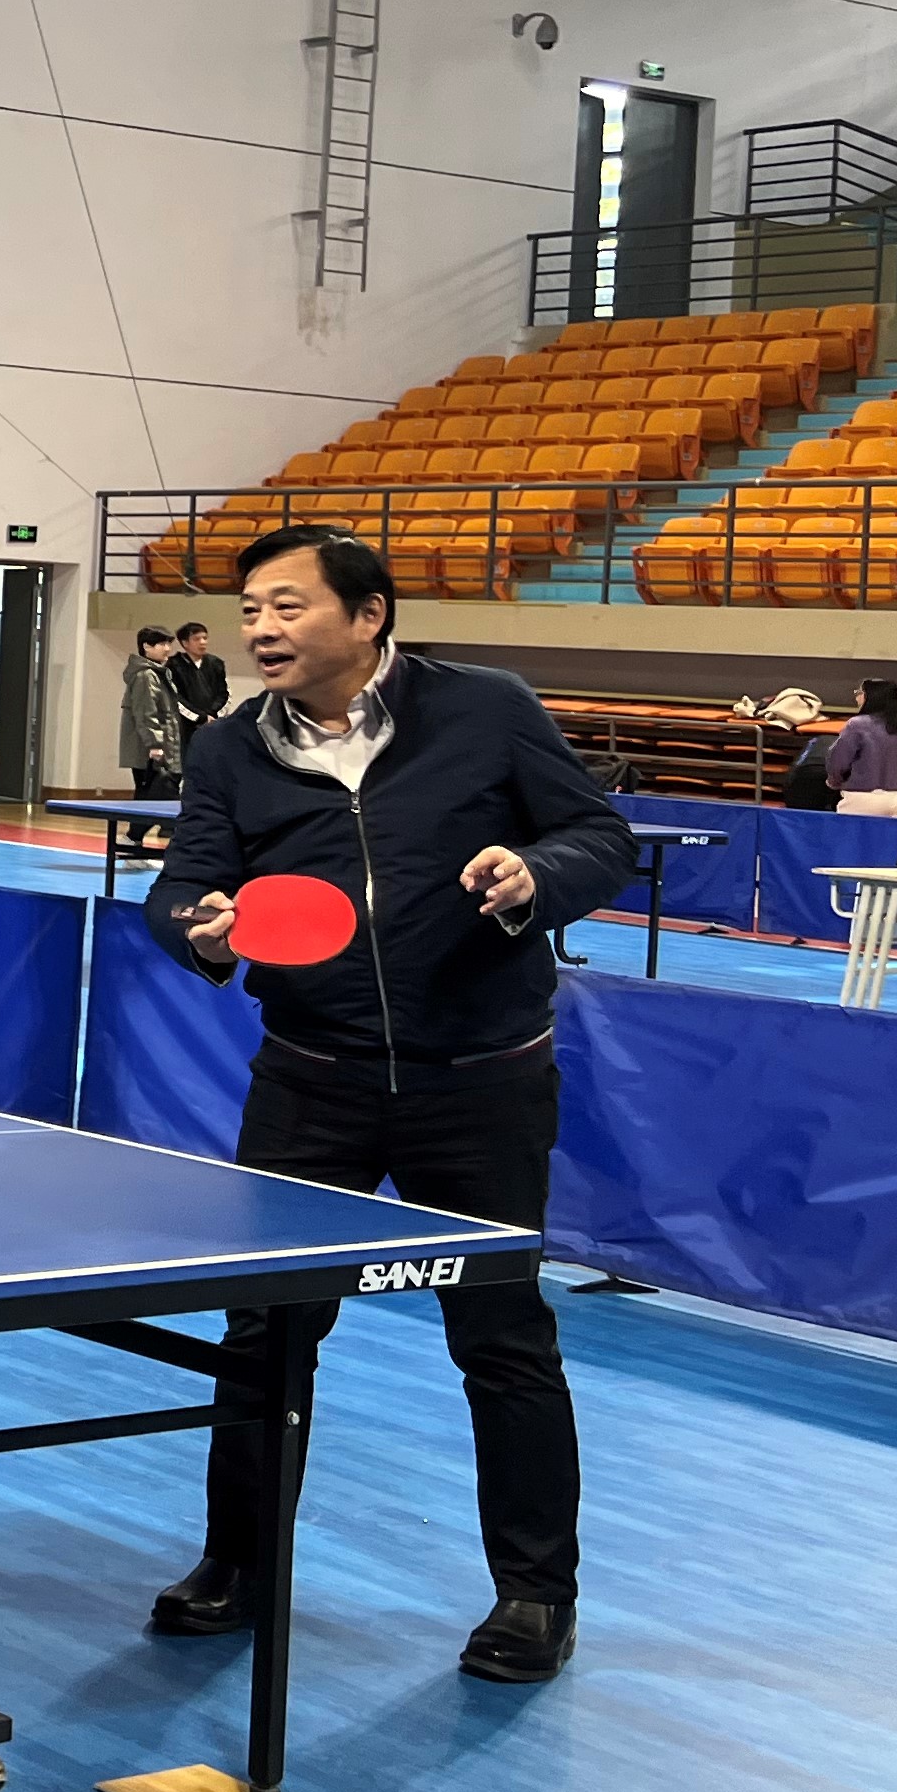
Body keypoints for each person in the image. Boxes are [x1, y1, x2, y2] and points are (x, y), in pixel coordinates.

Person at [142, 523, 635, 1687]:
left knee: (502, 1338)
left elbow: (598, 835)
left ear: (368, 616)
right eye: (250, 609)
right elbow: (184, 883)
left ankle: (535, 1595)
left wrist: (535, 874)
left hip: (482, 1081)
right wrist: (198, 928)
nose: (261, 628)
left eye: (287, 605)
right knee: (266, 1331)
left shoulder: (486, 708)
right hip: (312, 1080)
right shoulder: (230, 746)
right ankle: (238, 1564)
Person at [117, 625, 184, 852]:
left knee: (151, 795)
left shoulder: (157, 673)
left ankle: (133, 841)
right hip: (150, 751)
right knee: (159, 794)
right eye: (162, 644)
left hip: (159, 748)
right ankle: (133, 840)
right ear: (146, 646)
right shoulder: (146, 675)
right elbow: (146, 713)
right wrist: (154, 745)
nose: (167, 649)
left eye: (169, 644)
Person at [825, 676, 897, 819]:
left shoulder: (857, 725)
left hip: (861, 799)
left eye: (859, 693)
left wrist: (834, 781)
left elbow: (838, 761)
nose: (857, 698)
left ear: (870, 696)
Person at [169, 621, 233, 744]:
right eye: (197, 639)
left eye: (205, 638)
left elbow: (224, 693)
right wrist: (201, 717)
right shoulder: (174, 665)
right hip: (186, 727)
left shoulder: (216, 663)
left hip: (214, 722)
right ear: (185, 643)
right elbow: (176, 698)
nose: (203, 642)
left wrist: (212, 715)